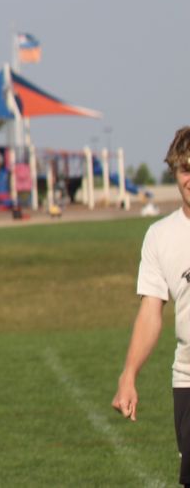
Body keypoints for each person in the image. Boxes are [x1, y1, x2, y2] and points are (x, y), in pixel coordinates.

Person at [112, 126, 190, 487]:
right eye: (185, 169)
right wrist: (129, 375)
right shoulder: (160, 236)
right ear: (174, 171)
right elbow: (150, 313)